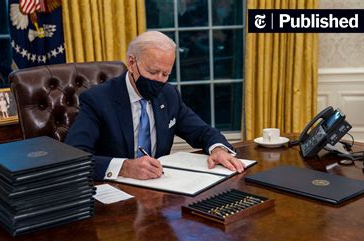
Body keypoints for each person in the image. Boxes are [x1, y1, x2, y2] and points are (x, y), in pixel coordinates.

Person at [65, 31, 244, 181]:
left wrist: (218, 148)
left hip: (158, 189)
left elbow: (201, 131)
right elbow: (75, 157)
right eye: (152, 72)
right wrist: (124, 168)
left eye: (165, 74)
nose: (159, 80)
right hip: (114, 192)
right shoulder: (97, 99)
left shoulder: (169, 94)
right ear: (132, 63)